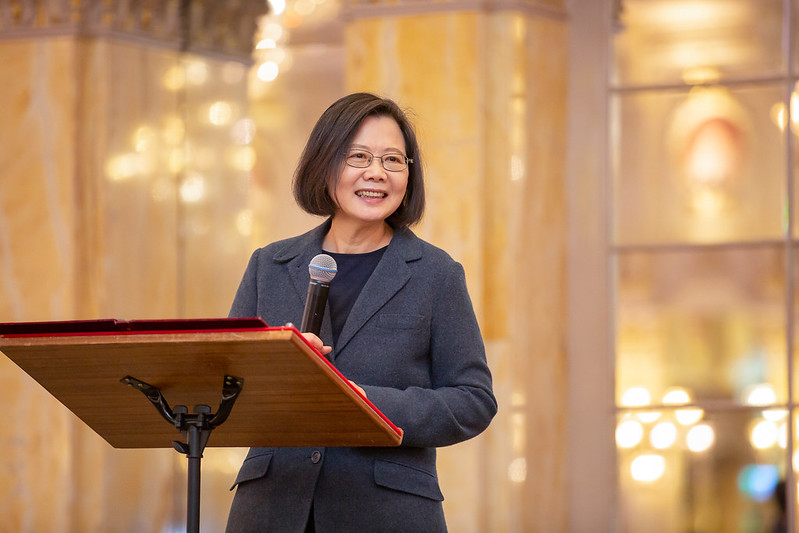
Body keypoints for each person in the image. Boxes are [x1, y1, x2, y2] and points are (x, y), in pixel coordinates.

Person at [224, 92, 497, 532]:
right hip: (273, 508)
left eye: (393, 160)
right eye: (358, 156)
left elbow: (473, 401)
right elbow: (226, 387)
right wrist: (279, 370)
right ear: (325, 164)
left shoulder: (436, 274)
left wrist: (368, 403)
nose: (376, 172)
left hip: (387, 513)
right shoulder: (269, 265)